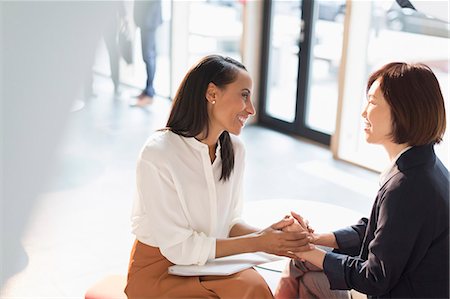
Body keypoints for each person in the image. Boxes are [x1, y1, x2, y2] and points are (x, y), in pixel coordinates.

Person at [125, 55, 313, 298]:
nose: (251, 108)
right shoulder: (159, 153)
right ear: (212, 93)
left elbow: (230, 223)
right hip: (159, 272)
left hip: (207, 264)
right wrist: (259, 241)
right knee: (248, 287)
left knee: (252, 285)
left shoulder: (234, 149)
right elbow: (179, 249)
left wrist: (276, 237)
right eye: (244, 95)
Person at [276, 62, 449, 299]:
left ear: (404, 111)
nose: (364, 111)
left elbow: (375, 278)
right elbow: (381, 230)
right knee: (302, 268)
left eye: (373, 102)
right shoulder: (425, 164)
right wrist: (315, 240)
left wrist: (307, 251)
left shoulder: (408, 186)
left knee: (302, 269)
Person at [130, 0, 162, 107]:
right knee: (148, 56)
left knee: (148, 56)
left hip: (148, 19)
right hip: (147, 19)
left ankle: (149, 94)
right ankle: (148, 90)